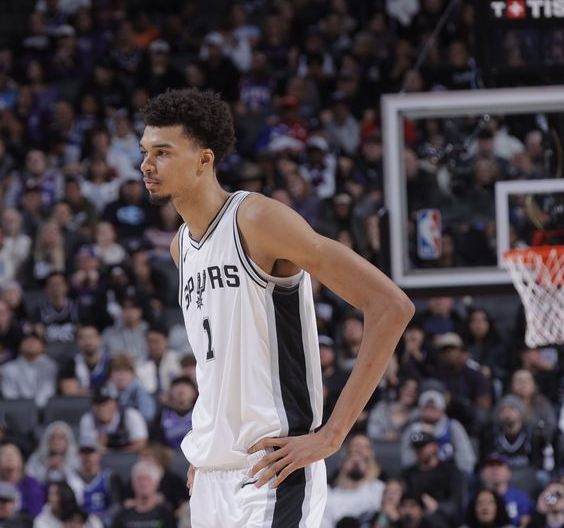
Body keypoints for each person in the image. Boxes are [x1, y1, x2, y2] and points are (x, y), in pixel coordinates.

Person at [139, 89, 413, 527]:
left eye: (163, 152)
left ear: (204, 159)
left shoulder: (255, 218)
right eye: (145, 152)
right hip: (210, 477)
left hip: (274, 469)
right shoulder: (181, 248)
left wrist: (333, 435)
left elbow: (390, 305)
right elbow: (219, 361)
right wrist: (212, 448)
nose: (146, 165)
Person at [321, 452, 385, 528]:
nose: (356, 463)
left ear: (368, 468)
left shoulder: (379, 489)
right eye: (351, 460)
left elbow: (387, 514)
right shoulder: (330, 497)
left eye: (361, 461)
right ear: (341, 466)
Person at [78, 387, 148, 452]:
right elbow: (88, 450)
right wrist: (98, 444)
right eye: (98, 403)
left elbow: (141, 444)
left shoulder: (130, 415)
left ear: (116, 403)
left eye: (106, 403)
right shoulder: (88, 419)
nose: (102, 407)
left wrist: (113, 453)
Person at [112, 460, 175, 528]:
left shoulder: (166, 515)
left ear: (156, 483)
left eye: (147, 479)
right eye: (139, 479)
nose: (143, 483)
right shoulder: (122, 516)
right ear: (133, 484)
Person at [0, 334, 57, 408]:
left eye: (35, 340)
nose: (30, 343)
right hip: (17, 410)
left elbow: (48, 392)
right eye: (26, 340)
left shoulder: (51, 366)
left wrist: (33, 409)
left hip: (44, 409)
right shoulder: (8, 368)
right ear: (20, 346)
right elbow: (9, 394)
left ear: (44, 347)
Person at [479, 454, 532, 528]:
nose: (495, 468)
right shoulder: (476, 498)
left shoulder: (521, 497)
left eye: (499, 465)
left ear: (509, 472)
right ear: (483, 473)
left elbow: (528, 519)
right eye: (490, 465)